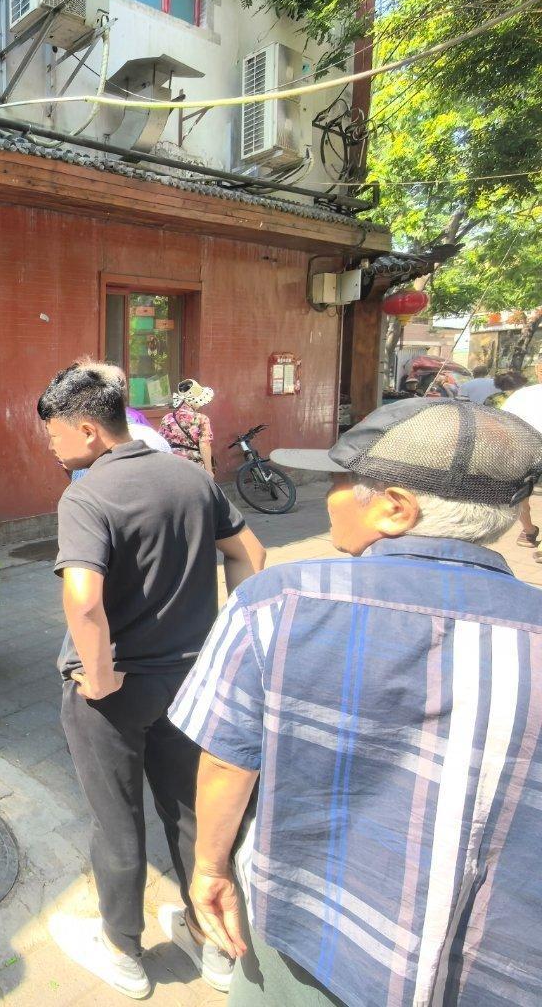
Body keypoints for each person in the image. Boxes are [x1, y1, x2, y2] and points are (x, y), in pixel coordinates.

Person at [171, 398, 542, 1006]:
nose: (329, 497)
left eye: (340, 482)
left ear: (395, 507)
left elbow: (227, 762)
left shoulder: (280, 603)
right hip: (496, 968)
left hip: (310, 940)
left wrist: (210, 869)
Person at [37, 361, 265, 999]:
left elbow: (83, 600)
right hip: (189, 679)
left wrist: (99, 675)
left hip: (115, 689)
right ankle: (212, 942)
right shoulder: (192, 477)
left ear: (87, 430)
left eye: (54, 434)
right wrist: (226, 643)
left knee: (116, 820)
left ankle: (123, 951)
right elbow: (250, 554)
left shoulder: (86, 496)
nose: (52, 446)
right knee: (192, 811)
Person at [503, 370, 542, 548]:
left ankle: (528, 532)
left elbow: (502, 422)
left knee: (521, 493)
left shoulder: (521, 395)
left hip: (521, 449)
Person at [158, 378, 216, 474]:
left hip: (172, 465)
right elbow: (204, 445)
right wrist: (209, 470)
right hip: (194, 467)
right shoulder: (201, 419)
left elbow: (161, 443)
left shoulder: (167, 418)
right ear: (195, 400)